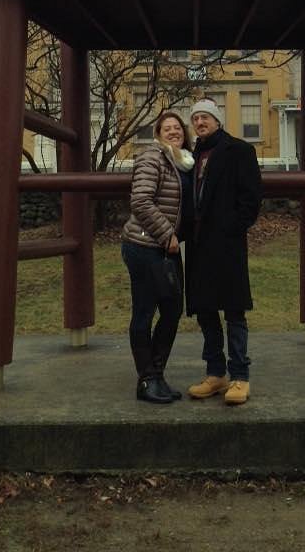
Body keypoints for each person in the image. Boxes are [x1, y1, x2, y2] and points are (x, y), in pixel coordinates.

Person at [186, 97, 262, 405]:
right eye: (195, 119)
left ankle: (240, 376)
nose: (200, 123)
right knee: (205, 310)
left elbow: (252, 197)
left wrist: (232, 228)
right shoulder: (192, 155)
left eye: (205, 117)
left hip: (227, 244)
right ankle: (215, 373)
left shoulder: (239, 150)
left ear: (218, 120)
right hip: (199, 245)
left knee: (233, 310)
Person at [121, 111, 194, 404]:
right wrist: (167, 235)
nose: (174, 132)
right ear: (158, 133)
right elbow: (140, 200)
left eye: (178, 128)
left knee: (173, 309)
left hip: (166, 249)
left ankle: (156, 375)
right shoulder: (153, 157)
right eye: (168, 128)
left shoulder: (183, 161)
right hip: (144, 246)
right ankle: (147, 380)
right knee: (144, 312)